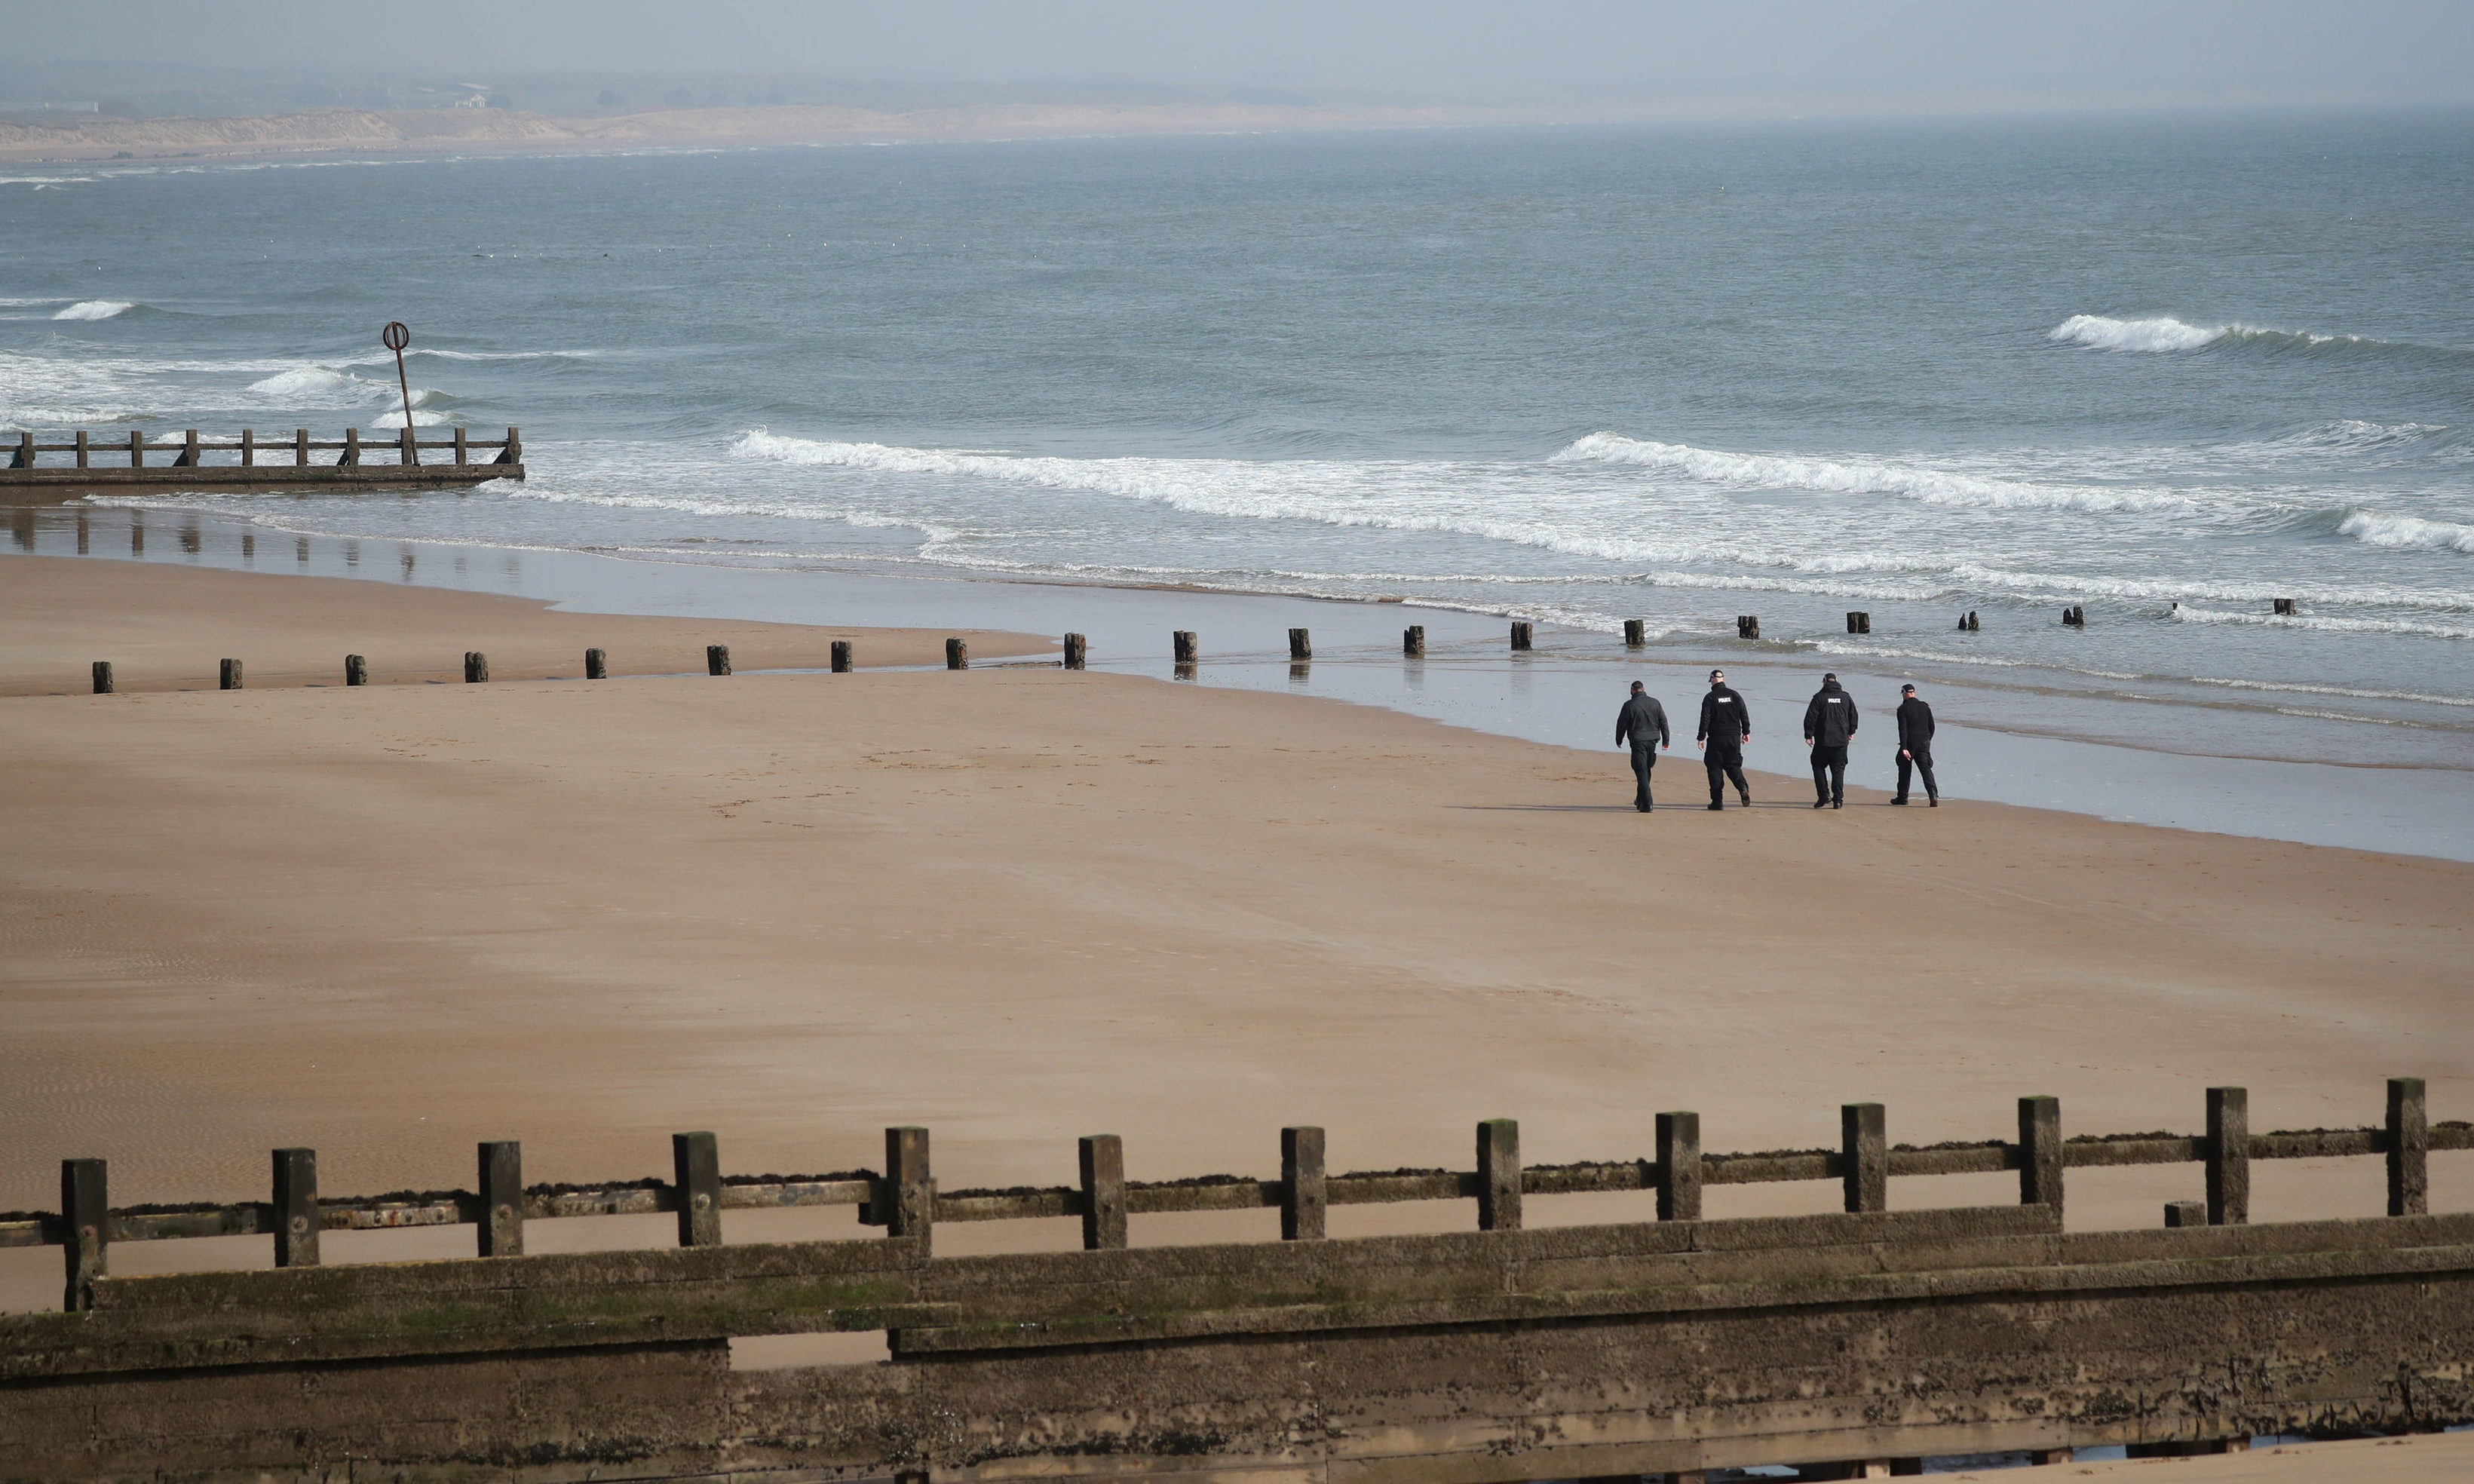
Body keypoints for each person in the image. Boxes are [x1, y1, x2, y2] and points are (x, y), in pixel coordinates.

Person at [1695, 668, 1752, 811]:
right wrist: (1746, 732)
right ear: (1724, 680)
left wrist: (1701, 737)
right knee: (1733, 765)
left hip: (1716, 738)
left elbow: (1705, 719)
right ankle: (1742, 786)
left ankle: (1717, 802)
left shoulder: (1710, 697)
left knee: (1714, 768)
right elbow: (1744, 714)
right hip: (1733, 738)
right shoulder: (1735, 695)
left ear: (1712, 680)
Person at [1802, 671, 1858, 809]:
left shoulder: (1819, 697)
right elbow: (1854, 716)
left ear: (1824, 682)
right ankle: (1838, 800)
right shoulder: (1846, 697)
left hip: (1823, 741)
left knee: (1818, 765)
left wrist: (1808, 735)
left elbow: (1811, 717)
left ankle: (1824, 796)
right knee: (1838, 770)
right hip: (1841, 741)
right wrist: (1851, 731)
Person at [1614, 680, 1670, 812]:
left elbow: (1622, 724)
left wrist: (1619, 739)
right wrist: (1666, 741)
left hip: (1638, 741)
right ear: (1643, 689)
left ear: (1632, 691)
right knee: (1645, 770)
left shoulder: (1629, 705)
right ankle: (1640, 798)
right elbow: (1663, 722)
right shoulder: (1655, 703)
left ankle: (1647, 804)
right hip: (1652, 741)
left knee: (1642, 771)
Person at [1893, 682, 1939, 806]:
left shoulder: (1902, 709)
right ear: (1914, 693)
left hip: (1910, 745)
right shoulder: (1925, 706)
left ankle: (1902, 798)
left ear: (1904, 694)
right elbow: (1932, 726)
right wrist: (1928, 740)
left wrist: (1904, 748)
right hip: (1924, 743)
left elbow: (1903, 730)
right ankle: (1933, 794)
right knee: (1926, 769)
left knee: (1904, 769)